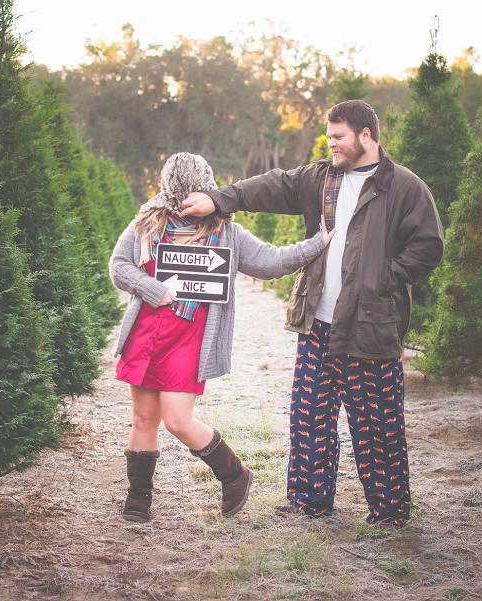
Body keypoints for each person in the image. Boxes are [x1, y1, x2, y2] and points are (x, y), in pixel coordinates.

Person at [180, 100, 444, 527]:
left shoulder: (404, 187)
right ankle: (309, 502)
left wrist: (385, 277)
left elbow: (429, 245)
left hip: (370, 327)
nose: (331, 143)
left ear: (365, 135)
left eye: (338, 136)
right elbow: (267, 186)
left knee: (377, 424)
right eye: (329, 136)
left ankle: (390, 513)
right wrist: (217, 199)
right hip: (317, 321)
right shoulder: (320, 178)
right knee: (309, 415)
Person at [109, 152, 334, 523]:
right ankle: (138, 498)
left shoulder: (226, 231)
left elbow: (270, 262)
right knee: (143, 417)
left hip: (189, 337)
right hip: (146, 334)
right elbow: (120, 267)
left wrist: (316, 244)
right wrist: (150, 287)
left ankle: (234, 475)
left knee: (178, 421)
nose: (188, 200)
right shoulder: (147, 221)